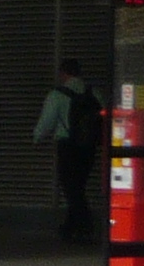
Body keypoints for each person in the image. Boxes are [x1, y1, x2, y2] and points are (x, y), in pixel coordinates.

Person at [32, 59, 107, 245]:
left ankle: (84, 225)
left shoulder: (57, 95)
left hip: (67, 146)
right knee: (78, 186)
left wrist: (36, 137)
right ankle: (70, 226)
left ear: (63, 73)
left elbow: (47, 121)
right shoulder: (94, 93)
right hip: (89, 147)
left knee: (71, 188)